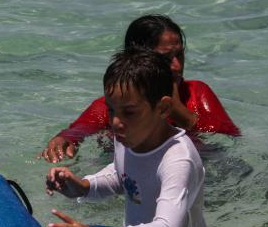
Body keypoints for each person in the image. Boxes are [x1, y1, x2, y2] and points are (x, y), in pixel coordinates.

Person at [45, 48, 216, 227]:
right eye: (111, 110)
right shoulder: (130, 135)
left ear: (163, 108)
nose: (116, 122)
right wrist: (84, 186)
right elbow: (122, 175)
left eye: (129, 112)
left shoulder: (178, 159)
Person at [40, 14, 240, 163]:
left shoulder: (196, 93)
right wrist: (63, 140)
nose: (177, 66)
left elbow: (228, 140)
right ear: (137, 60)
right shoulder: (116, 105)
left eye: (180, 55)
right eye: (166, 58)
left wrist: (177, 109)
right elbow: (78, 131)